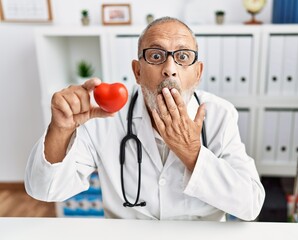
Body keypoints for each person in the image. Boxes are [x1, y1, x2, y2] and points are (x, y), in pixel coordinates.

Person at [25, 16, 265, 220]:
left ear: (198, 72)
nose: (169, 68)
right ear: (137, 71)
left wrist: (192, 153)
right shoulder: (104, 116)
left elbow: (250, 204)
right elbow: (44, 190)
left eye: (182, 57)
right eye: (156, 56)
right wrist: (61, 129)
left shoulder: (220, 115)